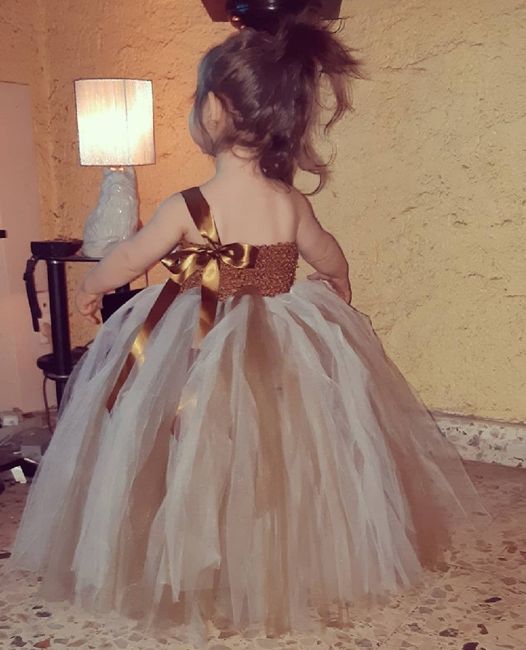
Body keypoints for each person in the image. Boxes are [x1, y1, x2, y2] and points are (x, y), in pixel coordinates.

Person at [7, 7, 487, 646]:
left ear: (211, 112)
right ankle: (285, 545)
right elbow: (325, 250)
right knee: (288, 442)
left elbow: (130, 257)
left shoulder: (188, 205)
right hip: (285, 330)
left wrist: (93, 285)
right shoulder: (290, 200)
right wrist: (339, 280)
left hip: (199, 334)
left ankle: (196, 545)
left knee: (190, 437)